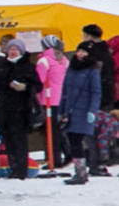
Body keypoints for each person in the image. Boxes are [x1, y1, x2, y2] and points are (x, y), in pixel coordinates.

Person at [0, 39, 39, 179]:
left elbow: (38, 85)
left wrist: (24, 86)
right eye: (11, 49)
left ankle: (21, 170)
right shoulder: (3, 66)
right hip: (5, 109)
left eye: (15, 49)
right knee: (8, 140)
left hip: (21, 109)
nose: (13, 52)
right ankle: (13, 168)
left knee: (20, 141)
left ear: (21, 51)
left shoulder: (27, 66)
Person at [62, 44, 104, 185]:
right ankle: (80, 171)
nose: (80, 54)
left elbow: (96, 93)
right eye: (79, 51)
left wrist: (92, 110)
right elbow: (65, 91)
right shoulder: (72, 68)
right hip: (70, 111)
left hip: (84, 110)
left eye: (83, 52)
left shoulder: (92, 71)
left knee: (76, 140)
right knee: (72, 140)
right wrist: (62, 110)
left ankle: (80, 172)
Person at [36, 35, 69, 165]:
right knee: (57, 129)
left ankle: (54, 158)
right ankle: (65, 152)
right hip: (61, 98)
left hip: (47, 99)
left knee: (50, 130)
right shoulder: (64, 59)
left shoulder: (44, 60)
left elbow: (40, 81)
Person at [80, 24, 115, 111]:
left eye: (83, 35)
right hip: (109, 92)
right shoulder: (107, 49)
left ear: (88, 36)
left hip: (93, 93)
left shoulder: (87, 48)